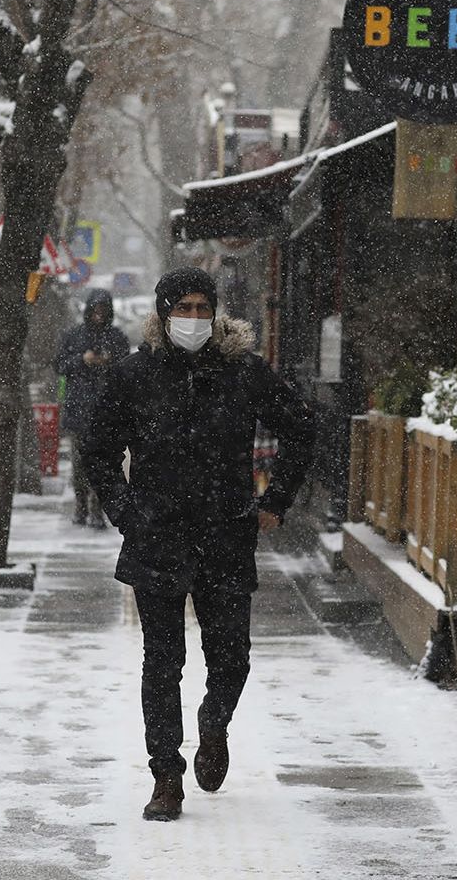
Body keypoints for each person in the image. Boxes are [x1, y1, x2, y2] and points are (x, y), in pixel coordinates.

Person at [83, 267, 317, 822]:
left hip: (226, 534)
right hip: (157, 537)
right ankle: (166, 775)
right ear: (163, 313)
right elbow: (97, 450)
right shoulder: (134, 375)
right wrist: (126, 512)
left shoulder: (243, 371)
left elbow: (301, 427)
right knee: (163, 662)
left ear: (215, 313)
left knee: (231, 655)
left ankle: (214, 724)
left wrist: (274, 500)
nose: (193, 318)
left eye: (202, 308)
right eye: (182, 308)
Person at [55, 289, 132, 527]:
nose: (99, 314)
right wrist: (82, 360)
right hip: (78, 411)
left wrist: (109, 361)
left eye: (103, 310)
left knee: (104, 464)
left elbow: (126, 368)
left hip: (107, 412)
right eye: (95, 310)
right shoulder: (74, 336)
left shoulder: (117, 337)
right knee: (79, 465)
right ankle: (80, 506)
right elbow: (59, 365)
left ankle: (98, 509)